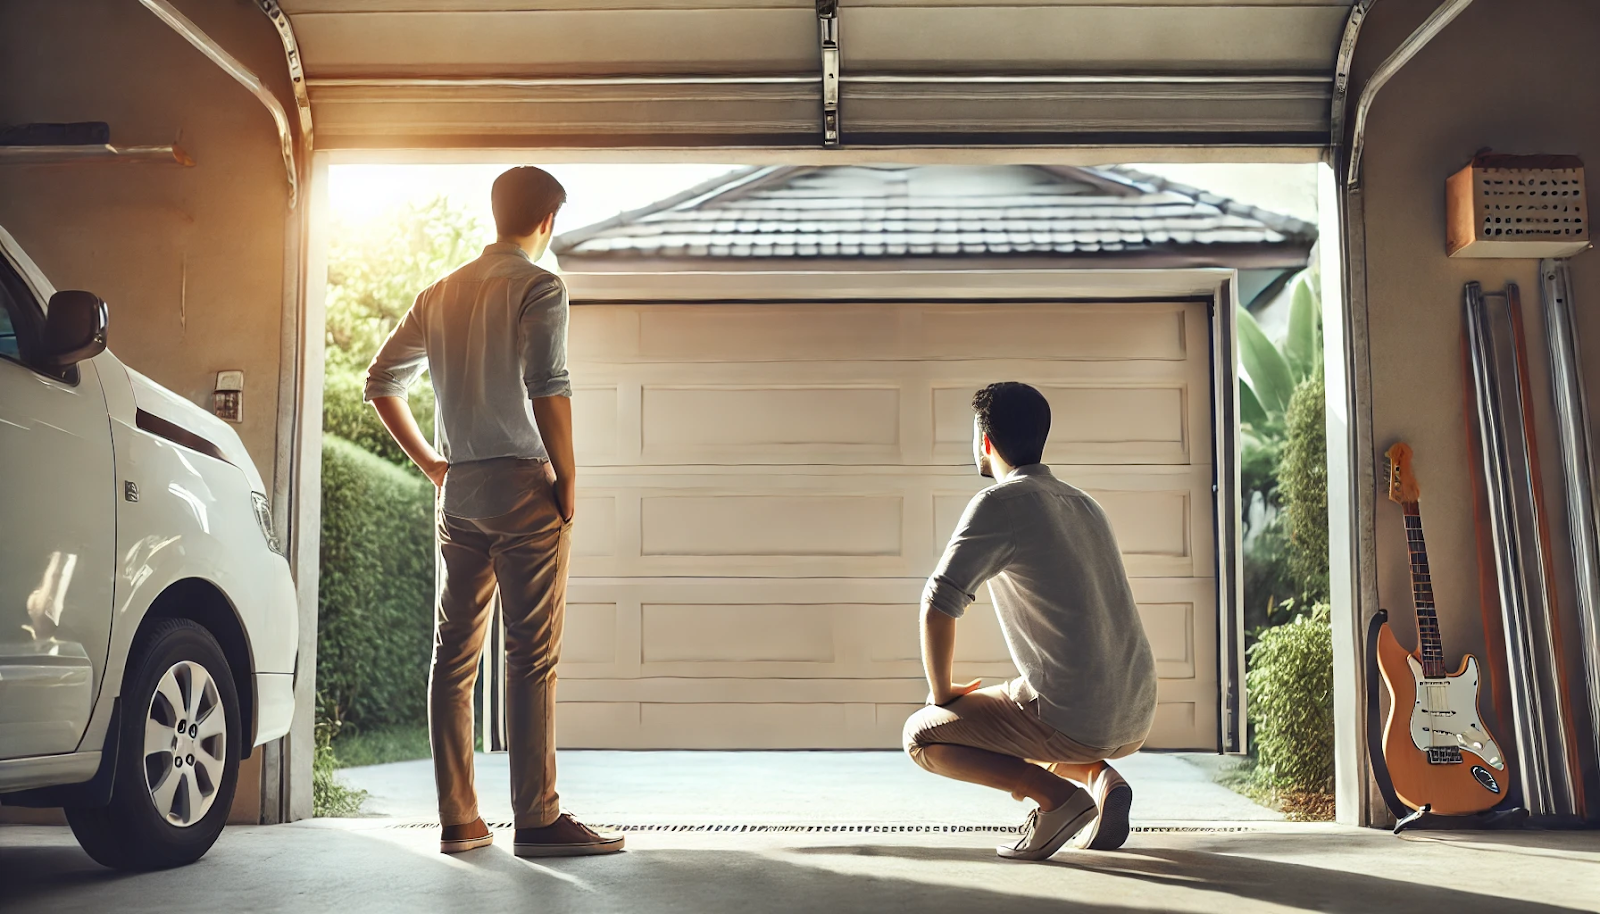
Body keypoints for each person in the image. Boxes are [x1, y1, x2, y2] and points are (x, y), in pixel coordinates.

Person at [365, 166, 623, 858]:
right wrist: (568, 477)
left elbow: (379, 380)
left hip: (462, 494)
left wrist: (431, 463)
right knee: (530, 657)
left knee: (452, 658)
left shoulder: (440, 291)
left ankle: (460, 820)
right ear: (546, 221)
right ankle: (537, 820)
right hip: (521, 488)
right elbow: (549, 385)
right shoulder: (539, 286)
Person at [903, 381, 1157, 860]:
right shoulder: (1083, 503)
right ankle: (1102, 778)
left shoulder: (999, 503)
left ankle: (1056, 800)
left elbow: (938, 601)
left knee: (921, 736)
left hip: (1078, 717)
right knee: (1021, 704)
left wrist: (941, 695)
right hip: (1137, 709)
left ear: (985, 440)